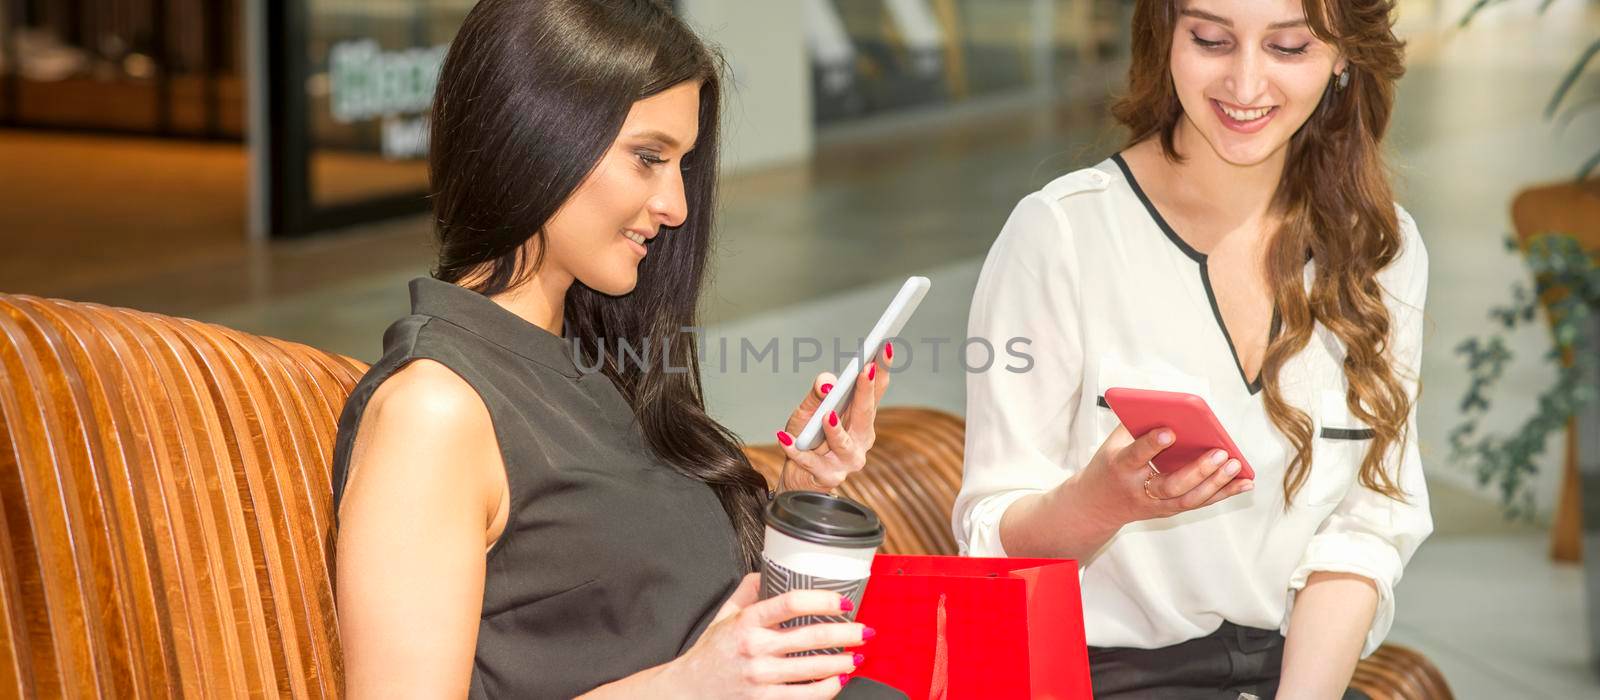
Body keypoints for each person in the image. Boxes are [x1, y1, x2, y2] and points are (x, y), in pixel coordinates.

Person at [331, 1, 892, 697]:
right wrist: (688, 687)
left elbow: (669, 622)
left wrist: (801, 493)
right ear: (533, 135)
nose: (677, 205)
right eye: (648, 158)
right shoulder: (435, 410)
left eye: (681, 164)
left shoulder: (598, 362)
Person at [955, 0, 1431, 697]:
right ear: (1165, 38)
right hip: (1096, 676)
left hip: (1294, 672)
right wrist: (1099, 503)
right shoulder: (1061, 235)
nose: (1244, 84)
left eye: (1288, 48)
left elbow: (1366, 530)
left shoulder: (1381, 249)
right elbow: (989, 542)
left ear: (1342, 57)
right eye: (1211, 39)